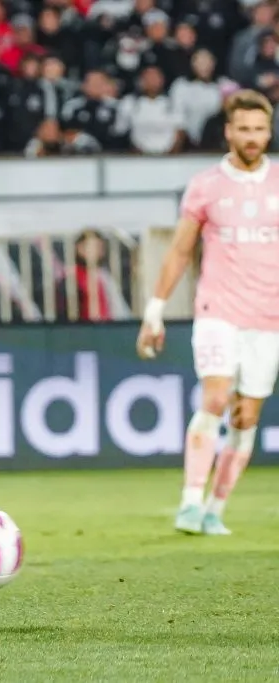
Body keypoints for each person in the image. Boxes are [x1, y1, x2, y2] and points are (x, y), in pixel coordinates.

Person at [136, 89, 279, 536]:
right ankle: (189, 503)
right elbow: (180, 251)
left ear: (268, 131)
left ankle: (215, 508)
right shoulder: (205, 185)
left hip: (267, 318)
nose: (252, 137)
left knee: (245, 417)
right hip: (217, 309)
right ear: (229, 131)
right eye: (244, 129)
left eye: (259, 129)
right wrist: (154, 311)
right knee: (215, 398)